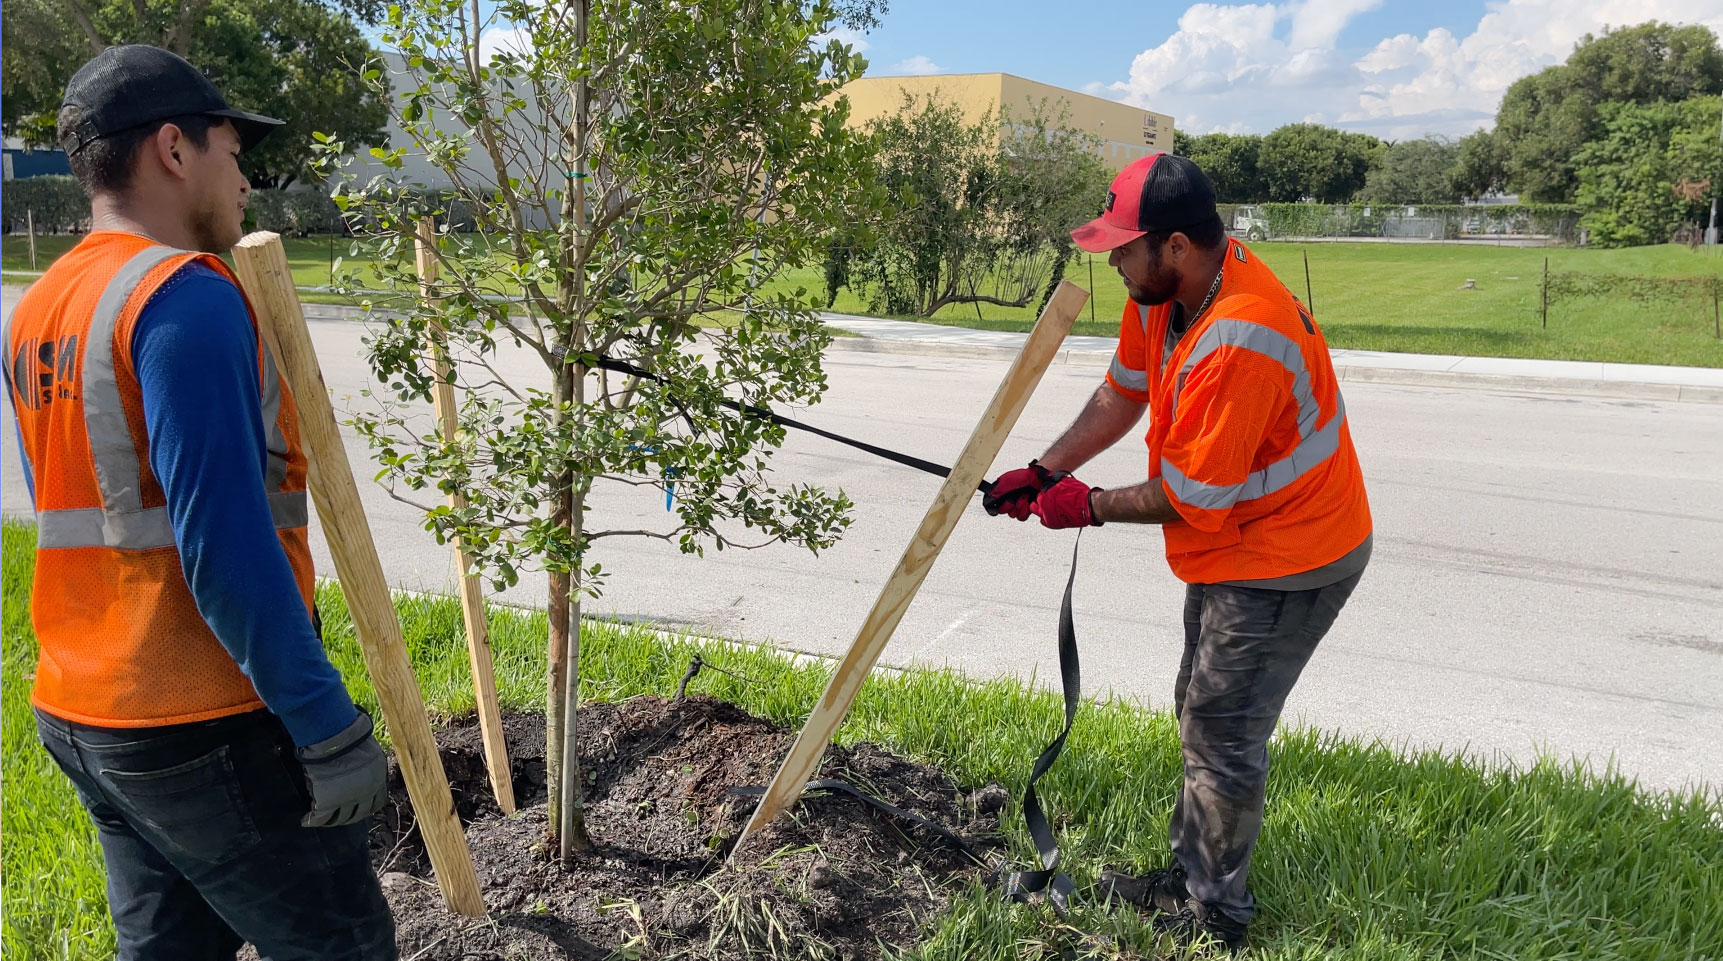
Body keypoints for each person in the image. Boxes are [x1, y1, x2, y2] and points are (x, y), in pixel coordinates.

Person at [3, 45, 395, 960]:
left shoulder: (41, 305)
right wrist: (326, 725)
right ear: (173, 149)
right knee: (343, 945)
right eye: (232, 147)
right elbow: (223, 545)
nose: (246, 178)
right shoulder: (183, 298)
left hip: (82, 710)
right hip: (202, 717)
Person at [984, 153, 1372, 950]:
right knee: (1198, 709)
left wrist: (1080, 505)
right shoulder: (1166, 297)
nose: (1112, 261)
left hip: (1291, 554)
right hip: (1238, 541)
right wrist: (1047, 468)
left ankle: (1215, 913)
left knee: (1222, 728)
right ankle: (1193, 871)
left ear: (1174, 246)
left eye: (1122, 246)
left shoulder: (1240, 335)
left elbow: (1193, 495)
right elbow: (1122, 392)